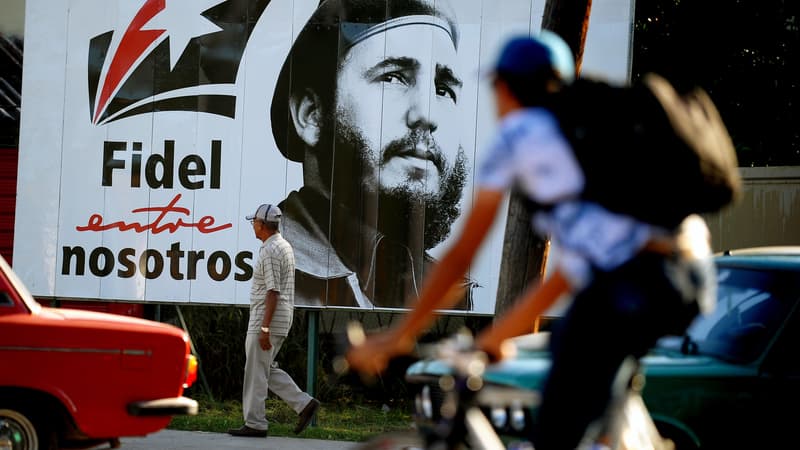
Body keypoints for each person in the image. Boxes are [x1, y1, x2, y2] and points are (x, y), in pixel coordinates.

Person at [347, 34, 716, 450]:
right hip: (690, 276)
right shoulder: (589, 132)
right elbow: (569, 275)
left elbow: (461, 255)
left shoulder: (521, 135)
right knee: (586, 382)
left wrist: (399, 335)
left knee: (555, 431)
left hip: (631, 289)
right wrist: (497, 338)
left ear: (504, 87)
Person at [270, 0, 475, 309]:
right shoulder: (268, 262)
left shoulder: (449, 288)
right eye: (393, 77)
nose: (427, 115)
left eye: (443, 89)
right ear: (312, 116)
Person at [227, 203, 320, 438]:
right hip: (281, 317)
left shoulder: (269, 250)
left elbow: (272, 292)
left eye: (254, 222)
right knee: (265, 369)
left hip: (266, 318)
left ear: (262, 224)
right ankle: (304, 404)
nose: (253, 227)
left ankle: (255, 423)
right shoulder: (284, 246)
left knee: (256, 372)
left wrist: (264, 327)